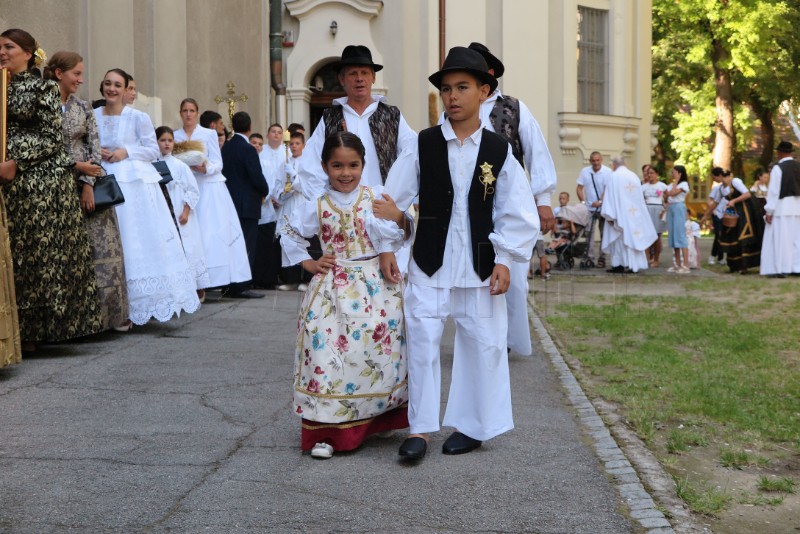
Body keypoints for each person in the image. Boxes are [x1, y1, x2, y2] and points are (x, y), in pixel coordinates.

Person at [381, 46, 539, 460]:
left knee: (483, 344)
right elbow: (389, 201)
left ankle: (473, 426)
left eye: (463, 87)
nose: (453, 96)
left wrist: (505, 258)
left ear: (484, 91)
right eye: (447, 88)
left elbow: (515, 211)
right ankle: (419, 429)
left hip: (480, 267)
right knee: (422, 341)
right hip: (430, 263)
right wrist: (386, 244)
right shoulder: (423, 145)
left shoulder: (498, 151)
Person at [281, 132, 409, 459]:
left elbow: (393, 234)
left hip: (373, 286)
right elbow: (289, 231)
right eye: (337, 165)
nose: (345, 172)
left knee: (369, 351)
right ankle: (324, 432)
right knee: (325, 350)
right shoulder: (317, 204)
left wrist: (387, 248)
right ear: (325, 166)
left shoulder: (374, 197)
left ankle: (370, 421)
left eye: (353, 165)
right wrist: (309, 262)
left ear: (363, 165)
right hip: (332, 289)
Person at [0, 29, 103, 352]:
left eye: (9, 47)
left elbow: (50, 138)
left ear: (29, 53)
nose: (2, 52)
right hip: (7, 177)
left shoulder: (43, 87)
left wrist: (16, 160)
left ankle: (35, 331)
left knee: (35, 255)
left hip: (36, 181)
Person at [463, 42, 557, 357]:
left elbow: (536, 151)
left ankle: (508, 340)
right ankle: (480, 337)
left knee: (514, 279)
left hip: (509, 204)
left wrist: (543, 198)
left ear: (488, 75)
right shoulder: (456, 110)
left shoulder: (515, 107)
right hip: (470, 204)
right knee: (471, 274)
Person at [94, 69, 200, 323]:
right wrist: (98, 150)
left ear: (125, 89)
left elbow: (152, 149)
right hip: (100, 178)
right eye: (108, 83)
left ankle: (137, 304)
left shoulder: (137, 117)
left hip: (132, 183)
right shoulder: (93, 115)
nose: (111, 89)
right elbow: (87, 141)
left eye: (117, 85)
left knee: (134, 238)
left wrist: (125, 152)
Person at [45, 51, 130, 332]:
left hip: (86, 183)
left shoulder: (83, 107)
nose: (82, 80)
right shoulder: (43, 104)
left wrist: (88, 185)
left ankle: (106, 320)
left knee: (101, 251)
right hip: (53, 182)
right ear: (59, 74)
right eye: (77, 74)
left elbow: (94, 147)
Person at [297, 45, 417, 200]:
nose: (359, 78)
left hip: (381, 209)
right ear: (342, 79)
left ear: (373, 77)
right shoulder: (330, 117)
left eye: (365, 73)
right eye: (353, 73)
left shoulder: (392, 116)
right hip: (342, 212)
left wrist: (397, 201)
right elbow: (310, 166)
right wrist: (326, 202)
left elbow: (411, 157)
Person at [174, 98, 252, 293]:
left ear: (197, 113)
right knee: (189, 233)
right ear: (180, 113)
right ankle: (190, 277)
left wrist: (205, 168)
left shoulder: (208, 134)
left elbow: (218, 162)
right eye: (185, 110)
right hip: (185, 185)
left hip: (207, 186)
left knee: (208, 233)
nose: (188, 114)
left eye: (192, 110)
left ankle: (208, 280)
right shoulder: (176, 135)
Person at [155, 126, 210, 297]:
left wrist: (186, 211)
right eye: (163, 140)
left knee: (187, 248)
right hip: (161, 213)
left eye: (170, 140)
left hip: (180, 214)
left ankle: (195, 285)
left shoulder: (180, 166)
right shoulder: (151, 165)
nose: (166, 144)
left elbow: (193, 190)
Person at [220, 112, 269, 299]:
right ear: (249, 128)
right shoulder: (248, 149)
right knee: (246, 245)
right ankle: (242, 284)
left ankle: (229, 283)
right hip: (247, 204)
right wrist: (265, 190)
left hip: (229, 203)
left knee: (231, 244)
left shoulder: (225, 148)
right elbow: (256, 177)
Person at [600, 156, 656, 273]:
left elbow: (609, 197)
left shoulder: (613, 176)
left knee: (619, 240)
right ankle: (633, 265)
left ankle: (619, 265)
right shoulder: (634, 176)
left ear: (614, 165)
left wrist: (609, 216)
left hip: (618, 215)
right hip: (633, 214)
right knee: (632, 238)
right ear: (625, 164)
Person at [252, 124, 285, 290]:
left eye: (280, 132)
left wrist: (276, 196)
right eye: (273, 132)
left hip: (280, 201)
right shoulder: (261, 152)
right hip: (264, 202)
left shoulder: (286, 152)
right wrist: (267, 197)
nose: (277, 135)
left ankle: (276, 274)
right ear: (268, 134)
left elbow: (279, 178)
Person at [274, 131, 309, 291]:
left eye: (297, 143)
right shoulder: (285, 163)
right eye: (292, 144)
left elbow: (308, 185)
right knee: (287, 240)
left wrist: (294, 177)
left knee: (304, 240)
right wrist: (283, 192)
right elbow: (278, 183)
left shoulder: (307, 162)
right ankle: (290, 279)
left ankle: (307, 279)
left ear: (303, 145)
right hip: (288, 205)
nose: (294, 146)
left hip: (302, 203)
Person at [761, 141, 800, 277]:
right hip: (797, 207)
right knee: (796, 239)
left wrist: (769, 210)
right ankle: (796, 267)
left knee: (780, 239)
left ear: (780, 153)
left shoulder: (779, 168)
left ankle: (779, 268)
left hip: (782, 207)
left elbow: (774, 191)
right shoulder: (798, 166)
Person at [715, 167, 763, 274]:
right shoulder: (723, 187)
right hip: (736, 211)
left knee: (744, 235)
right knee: (732, 235)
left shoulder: (735, 181)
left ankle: (744, 265)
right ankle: (734, 265)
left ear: (725, 176)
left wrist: (734, 201)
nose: (721, 181)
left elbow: (747, 194)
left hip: (745, 211)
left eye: (722, 178)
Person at [576, 151, 611, 268]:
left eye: (598, 160)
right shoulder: (585, 172)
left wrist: (600, 201)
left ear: (601, 160)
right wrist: (583, 202)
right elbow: (579, 188)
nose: (596, 163)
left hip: (603, 207)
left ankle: (602, 258)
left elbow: (608, 189)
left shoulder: (607, 172)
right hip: (589, 208)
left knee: (604, 234)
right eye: (593, 161)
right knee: (589, 234)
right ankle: (589, 257)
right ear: (590, 161)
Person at [699, 168, 729, 265]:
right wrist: (714, 210)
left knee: (724, 235)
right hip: (717, 214)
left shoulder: (730, 188)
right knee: (718, 234)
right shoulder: (717, 188)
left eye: (714, 177)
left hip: (727, 214)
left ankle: (721, 257)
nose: (714, 179)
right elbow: (710, 200)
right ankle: (713, 255)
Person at [664, 165, 691, 273]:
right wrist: (667, 194)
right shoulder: (671, 184)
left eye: (674, 172)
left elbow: (672, 193)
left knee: (680, 235)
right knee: (673, 235)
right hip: (671, 208)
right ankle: (677, 264)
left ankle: (686, 265)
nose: (672, 174)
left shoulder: (684, 184)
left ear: (680, 173)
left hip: (679, 207)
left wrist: (677, 181)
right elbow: (666, 196)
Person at [641, 165, 668, 267]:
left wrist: (665, 209)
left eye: (652, 173)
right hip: (647, 210)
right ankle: (647, 259)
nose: (649, 175)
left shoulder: (662, 186)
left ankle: (656, 259)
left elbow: (668, 198)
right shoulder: (643, 187)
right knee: (646, 236)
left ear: (657, 174)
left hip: (658, 211)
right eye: (648, 173)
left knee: (656, 236)